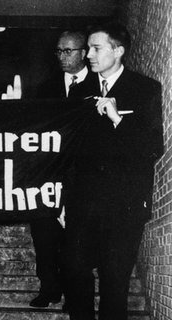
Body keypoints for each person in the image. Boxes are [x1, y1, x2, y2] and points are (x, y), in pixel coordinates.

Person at [64, 22, 163, 320]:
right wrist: (62, 200)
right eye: (88, 48)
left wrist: (118, 118)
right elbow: (67, 151)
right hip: (83, 204)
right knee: (74, 272)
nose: (88, 55)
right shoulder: (78, 93)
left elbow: (152, 147)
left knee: (115, 282)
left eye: (96, 48)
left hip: (124, 206)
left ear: (118, 51)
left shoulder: (145, 89)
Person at [29, 30, 95, 309]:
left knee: (76, 241)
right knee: (44, 235)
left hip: (83, 177)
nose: (62, 57)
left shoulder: (99, 85)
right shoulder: (43, 89)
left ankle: (74, 293)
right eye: (58, 51)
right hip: (48, 175)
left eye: (68, 51)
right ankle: (49, 287)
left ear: (84, 53)